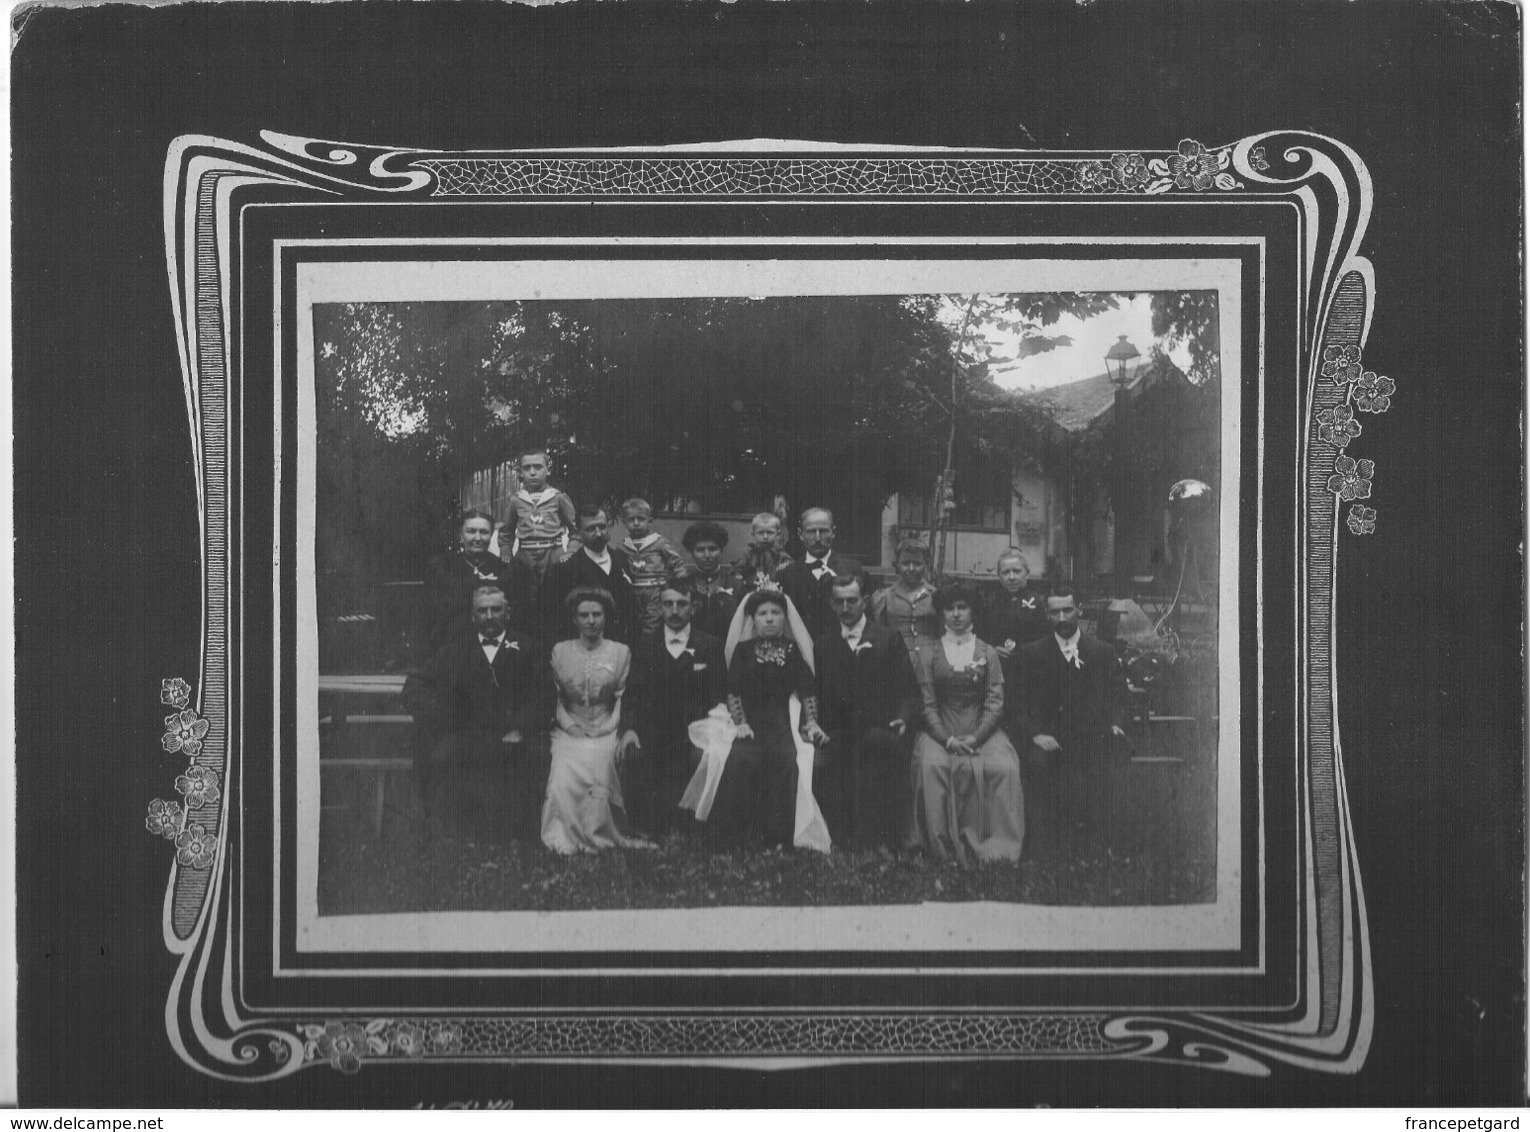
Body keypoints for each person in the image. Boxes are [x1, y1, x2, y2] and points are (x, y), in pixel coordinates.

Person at [403, 584, 549, 843]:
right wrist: (445, 717)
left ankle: (523, 838)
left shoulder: (529, 648)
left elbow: (544, 696)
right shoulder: (455, 649)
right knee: (442, 757)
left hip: (513, 735)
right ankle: (450, 838)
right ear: (473, 616)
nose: (490, 616)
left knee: (534, 759)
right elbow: (415, 685)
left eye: (496, 609)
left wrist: (521, 728)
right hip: (467, 733)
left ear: (508, 612)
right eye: (483, 611)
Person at [696, 588, 830, 852]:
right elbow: (733, 690)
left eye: (776, 613)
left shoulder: (792, 651)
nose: (769, 619)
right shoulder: (743, 651)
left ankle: (778, 835)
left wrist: (812, 722)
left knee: (786, 759)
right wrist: (741, 722)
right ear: (753, 619)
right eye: (763, 613)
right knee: (741, 757)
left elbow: (807, 692)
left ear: (785, 618)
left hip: (782, 718)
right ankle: (733, 833)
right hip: (748, 717)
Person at [908, 581, 1025, 864]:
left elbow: (995, 701)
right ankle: (941, 845)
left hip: (981, 727)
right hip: (941, 728)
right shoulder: (928, 653)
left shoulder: (988, 653)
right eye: (950, 608)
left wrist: (977, 737)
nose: (957, 615)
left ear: (973, 612)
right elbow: (927, 703)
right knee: (933, 765)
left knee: (1002, 766)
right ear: (942, 614)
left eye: (963, 607)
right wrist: (946, 739)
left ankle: (998, 849)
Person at [806, 573, 921, 851]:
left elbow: (908, 689)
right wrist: (814, 724)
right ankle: (838, 836)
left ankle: (877, 838)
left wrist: (903, 718)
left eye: (852, 601)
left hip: (878, 726)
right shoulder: (823, 645)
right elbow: (815, 692)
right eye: (839, 602)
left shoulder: (887, 638)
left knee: (877, 751)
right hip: (838, 730)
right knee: (827, 761)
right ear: (831, 604)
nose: (846, 608)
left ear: (865, 602)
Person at [1013, 585, 1129, 861]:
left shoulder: (1102, 651)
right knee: (1039, 767)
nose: (1062, 617)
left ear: (1079, 610)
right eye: (1055, 612)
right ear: (1046, 615)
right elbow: (1016, 704)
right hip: (1048, 739)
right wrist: (1034, 735)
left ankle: (1101, 848)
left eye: (1068, 610)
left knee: (1107, 770)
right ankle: (1043, 852)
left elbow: (1120, 697)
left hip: (1092, 737)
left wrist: (1116, 725)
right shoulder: (1032, 653)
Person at [540, 587, 653, 854]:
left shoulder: (620, 652)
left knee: (602, 763)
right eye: (584, 615)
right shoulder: (560, 651)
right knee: (564, 768)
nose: (591, 621)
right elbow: (555, 698)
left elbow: (622, 697)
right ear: (574, 619)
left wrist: (608, 726)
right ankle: (565, 837)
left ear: (606, 617)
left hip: (607, 724)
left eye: (597, 614)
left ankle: (601, 833)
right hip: (569, 727)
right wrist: (570, 726)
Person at [624, 582, 728, 836]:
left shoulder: (710, 645)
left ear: (693, 608)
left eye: (681, 604)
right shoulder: (645, 644)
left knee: (699, 756)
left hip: (696, 730)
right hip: (654, 729)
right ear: (659, 608)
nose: (674, 610)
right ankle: (647, 826)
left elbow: (719, 695)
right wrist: (629, 728)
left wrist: (712, 731)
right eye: (668, 604)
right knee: (635, 754)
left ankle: (693, 826)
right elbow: (633, 693)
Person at [423, 508, 536, 654]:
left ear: (491, 535)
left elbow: (516, 619)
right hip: (452, 649)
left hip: (494, 648)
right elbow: (435, 618)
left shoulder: (506, 571)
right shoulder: (443, 568)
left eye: (484, 532)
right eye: (471, 531)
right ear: (461, 534)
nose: (477, 538)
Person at [541, 504, 638, 645]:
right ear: (579, 532)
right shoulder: (565, 571)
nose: (598, 533)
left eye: (602, 527)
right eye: (590, 529)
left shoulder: (621, 558)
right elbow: (554, 621)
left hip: (620, 649)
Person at [772, 507, 865, 643]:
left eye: (823, 531)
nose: (817, 538)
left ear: (833, 532)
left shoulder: (852, 569)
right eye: (810, 531)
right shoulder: (786, 574)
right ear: (800, 534)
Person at [978, 548, 1051, 709]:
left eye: (1017, 571)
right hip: (999, 672)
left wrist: (1022, 652)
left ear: (1027, 573)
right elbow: (981, 639)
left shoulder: (1038, 604)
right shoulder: (991, 605)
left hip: (1030, 673)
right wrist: (993, 650)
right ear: (999, 576)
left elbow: (1046, 640)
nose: (1011, 577)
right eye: (1006, 572)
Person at [495, 448, 577, 578]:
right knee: (525, 593)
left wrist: (571, 551)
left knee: (555, 591)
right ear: (520, 472)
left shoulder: (558, 497)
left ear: (548, 470)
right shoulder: (515, 500)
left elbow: (576, 530)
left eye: (538, 467)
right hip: (525, 557)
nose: (532, 473)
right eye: (527, 468)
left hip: (553, 554)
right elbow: (506, 532)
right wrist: (506, 551)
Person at [615, 497, 687, 635]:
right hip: (632, 591)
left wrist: (681, 581)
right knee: (633, 623)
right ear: (624, 523)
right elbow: (618, 569)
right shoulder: (622, 547)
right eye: (631, 520)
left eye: (641, 519)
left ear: (649, 521)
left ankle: (650, 647)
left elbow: (675, 561)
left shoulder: (658, 542)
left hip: (655, 589)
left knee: (652, 623)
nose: (636, 523)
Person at [868, 539, 939, 654]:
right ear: (897, 564)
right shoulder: (885, 597)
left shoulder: (936, 596)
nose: (911, 569)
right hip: (896, 659)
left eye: (917, 564)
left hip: (930, 661)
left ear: (926, 564)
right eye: (905, 563)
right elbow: (878, 634)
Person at [681, 520, 741, 640]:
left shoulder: (736, 584)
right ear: (692, 552)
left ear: (721, 550)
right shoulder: (682, 586)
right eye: (700, 550)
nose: (707, 555)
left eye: (712, 549)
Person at [734, 511, 792, 596]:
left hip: (777, 596)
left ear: (778, 534)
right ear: (753, 534)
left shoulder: (782, 557)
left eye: (770, 532)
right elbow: (737, 576)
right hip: (752, 596)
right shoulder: (747, 557)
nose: (765, 537)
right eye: (760, 533)